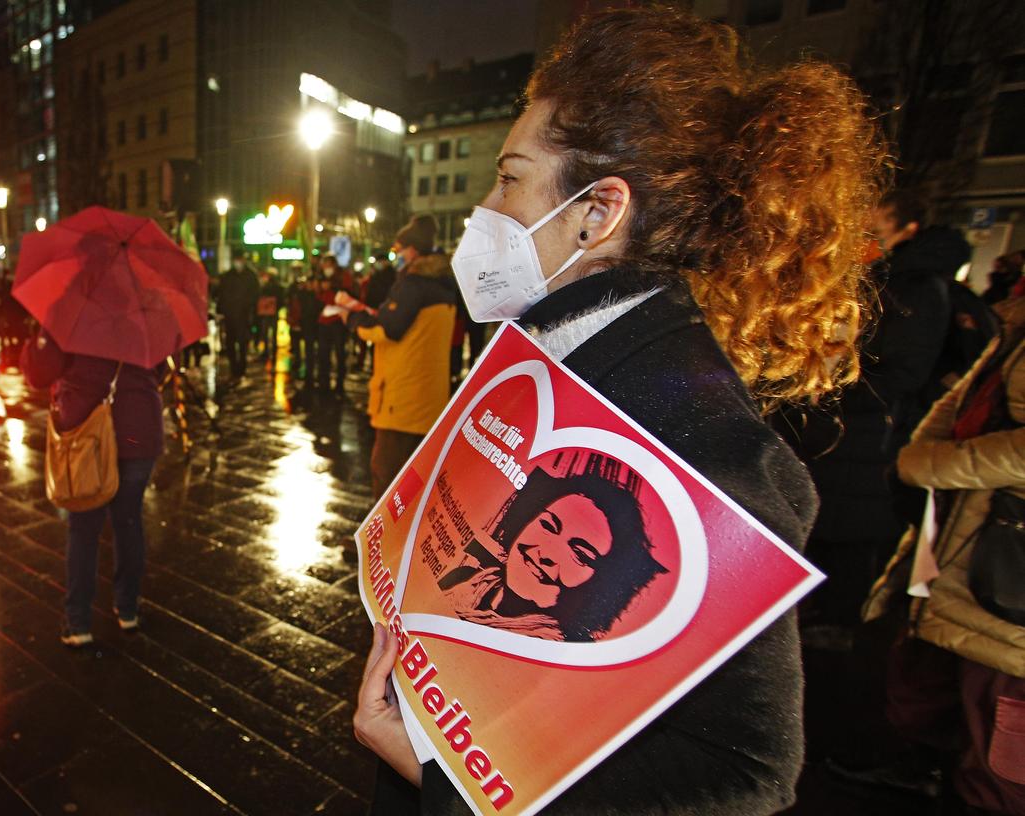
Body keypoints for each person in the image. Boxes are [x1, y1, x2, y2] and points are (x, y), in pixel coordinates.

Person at [353, 7, 886, 814]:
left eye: (509, 177)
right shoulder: (543, 351)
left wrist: (447, 787)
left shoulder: (703, 436)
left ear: (598, 213)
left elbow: (746, 772)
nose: (484, 206)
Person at [774, 189, 960, 645]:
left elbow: (903, 372)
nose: (865, 229)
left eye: (875, 222)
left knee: (852, 531)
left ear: (905, 226)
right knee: (825, 521)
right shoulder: (876, 274)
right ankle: (820, 608)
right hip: (833, 429)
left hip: (865, 433)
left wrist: (830, 391)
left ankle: (844, 622)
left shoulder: (918, 286)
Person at [863, 295, 1025, 814]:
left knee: (1000, 729)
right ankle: (927, 772)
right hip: (965, 530)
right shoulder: (1017, 317)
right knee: (933, 677)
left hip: (1007, 554)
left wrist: (931, 463)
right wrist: (920, 454)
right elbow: (963, 401)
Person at [20, 330, 163, 647]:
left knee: (83, 528)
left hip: (88, 434)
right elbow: (162, 367)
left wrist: (39, 337)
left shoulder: (71, 315)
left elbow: (39, 374)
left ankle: (78, 623)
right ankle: (128, 610)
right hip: (139, 429)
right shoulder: (145, 308)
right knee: (128, 521)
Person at [438, 466, 666, 643]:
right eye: (547, 525)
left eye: (580, 555)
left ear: (598, 585)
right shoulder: (465, 579)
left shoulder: (551, 653)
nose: (545, 553)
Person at [346, 214, 456, 497]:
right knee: (415, 479)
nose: (398, 255)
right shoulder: (445, 284)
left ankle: (384, 541)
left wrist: (353, 320)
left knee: (385, 471)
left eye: (400, 249)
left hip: (403, 399)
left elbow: (387, 329)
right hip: (430, 399)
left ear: (413, 250)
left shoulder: (413, 284)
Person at [315, 255, 356, 392]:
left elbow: (350, 294)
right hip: (323, 322)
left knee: (340, 353)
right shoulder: (319, 277)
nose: (326, 268)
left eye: (328, 265)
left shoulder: (343, 276)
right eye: (324, 265)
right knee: (323, 353)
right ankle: (323, 382)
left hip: (338, 322)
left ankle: (339, 384)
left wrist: (333, 287)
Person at [215, 254, 259, 380]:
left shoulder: (251, 276)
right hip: (230, 316)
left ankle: (241, 368)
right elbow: (221, 295)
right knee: (230, 343)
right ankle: (234, 368)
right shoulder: (228, 277)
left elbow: (255, 296)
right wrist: (220, 311)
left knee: (243, 343)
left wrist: (251, 312)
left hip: (244, 317)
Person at [288, 264, 321, 385]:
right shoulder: (300, 294)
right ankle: (304, 372)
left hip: (314, 327)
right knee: (303, 350)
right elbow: (295, 309)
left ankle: (310, 374)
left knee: (311, 352)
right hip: (304, 326)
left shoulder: (318, 296)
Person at [255, 266, 284, 365]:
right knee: (266, 333)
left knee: (270, 333)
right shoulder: (267, 286)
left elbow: (280, 300)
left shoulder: (275, 287)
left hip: (272, 313)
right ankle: (267, 352)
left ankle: (271, 352)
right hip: (266, 313)